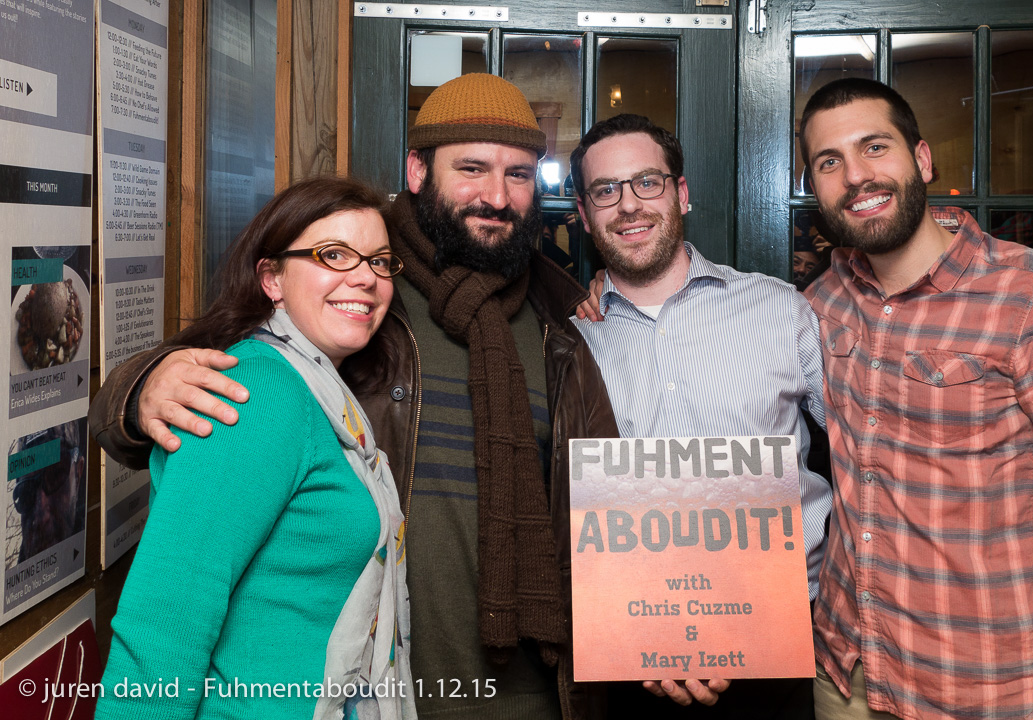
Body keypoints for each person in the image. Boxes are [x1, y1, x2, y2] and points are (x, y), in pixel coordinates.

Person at [90, 74, 709, 718]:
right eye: (471, 168)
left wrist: (668, 629)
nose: (497, 196)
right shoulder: (353, 293)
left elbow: (606, 522)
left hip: (538, 696)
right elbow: (226, 375)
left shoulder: (563, 322)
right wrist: (143, 389)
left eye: (519, 174)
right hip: (379, 691)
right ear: (417, 170)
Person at [796, 77, 1033, 720]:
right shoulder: (823, 301)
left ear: (922, 159)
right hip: (846, 675)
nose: (856, 176)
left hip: (988, 689)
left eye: (874, 147)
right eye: (829, 162)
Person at [95, 176, 416, 720]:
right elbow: (165, 621)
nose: (365, 277)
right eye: (333, 254)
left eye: (379, 262)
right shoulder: (257, 390)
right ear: (272, 279)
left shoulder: (324, 390)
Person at [569, 113, 831, 718]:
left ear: (681, 193)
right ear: (583, 214)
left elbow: (865, 452)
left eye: (647, 182)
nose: (628, 205)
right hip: (625, 652)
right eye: (605, 191)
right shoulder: (569, 336)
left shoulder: (778, 309)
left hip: (780, 637)